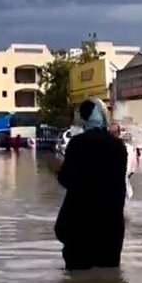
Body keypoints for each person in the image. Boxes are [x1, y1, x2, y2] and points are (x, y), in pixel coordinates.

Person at [55, 99, 128, 270]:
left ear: (81, 118)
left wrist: (57, 170)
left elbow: (67, 180)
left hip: (80, 228)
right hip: (111, 229)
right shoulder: (119, 147)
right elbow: (117, 185)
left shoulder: (77, 144)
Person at [109, 122, 138, 200]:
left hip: (123, 190)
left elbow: (132, 170)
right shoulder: (129, 148)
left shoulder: (130, 149)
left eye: (114, 132)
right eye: (111, 133)